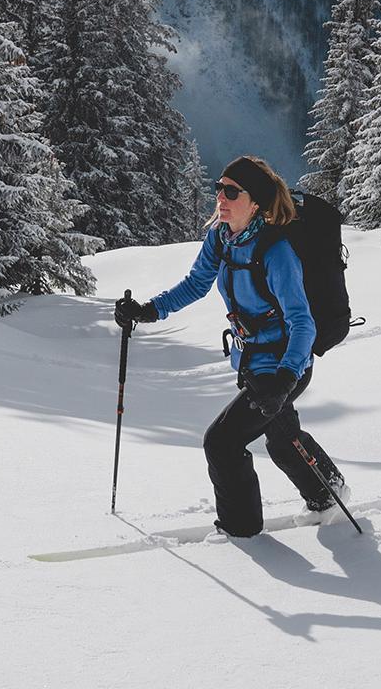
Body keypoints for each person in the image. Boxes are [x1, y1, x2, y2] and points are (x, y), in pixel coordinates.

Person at [114, 155, 346, 538]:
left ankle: (240, 531)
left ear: (255, 202)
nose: (220, 197)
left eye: (232, 191)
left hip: (286, 363)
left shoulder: (276, 252)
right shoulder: (220, 238)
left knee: (221, 443)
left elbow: (302, 322)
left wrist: (285, 380)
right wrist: (148, 310)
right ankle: (327, 494)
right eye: (218, 188)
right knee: (282, 437)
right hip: (252, 363)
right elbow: (195, 284)